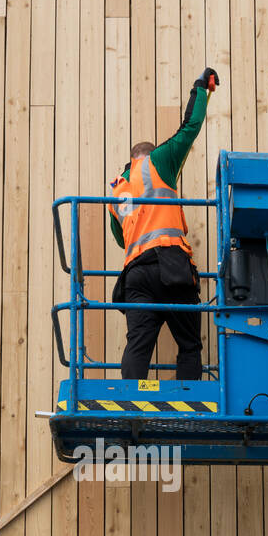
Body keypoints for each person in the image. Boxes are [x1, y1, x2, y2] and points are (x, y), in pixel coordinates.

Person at [107, 67, 219, 380]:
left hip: (136, 275)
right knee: (189, 344)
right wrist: (201, 88)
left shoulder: (118, 189)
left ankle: (130, 404)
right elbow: (190, 127)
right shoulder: (161, 161)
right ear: (152, 154)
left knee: (138, 344)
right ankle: (188, 401)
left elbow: (120, 239)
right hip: (171, 266)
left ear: (130, 160)